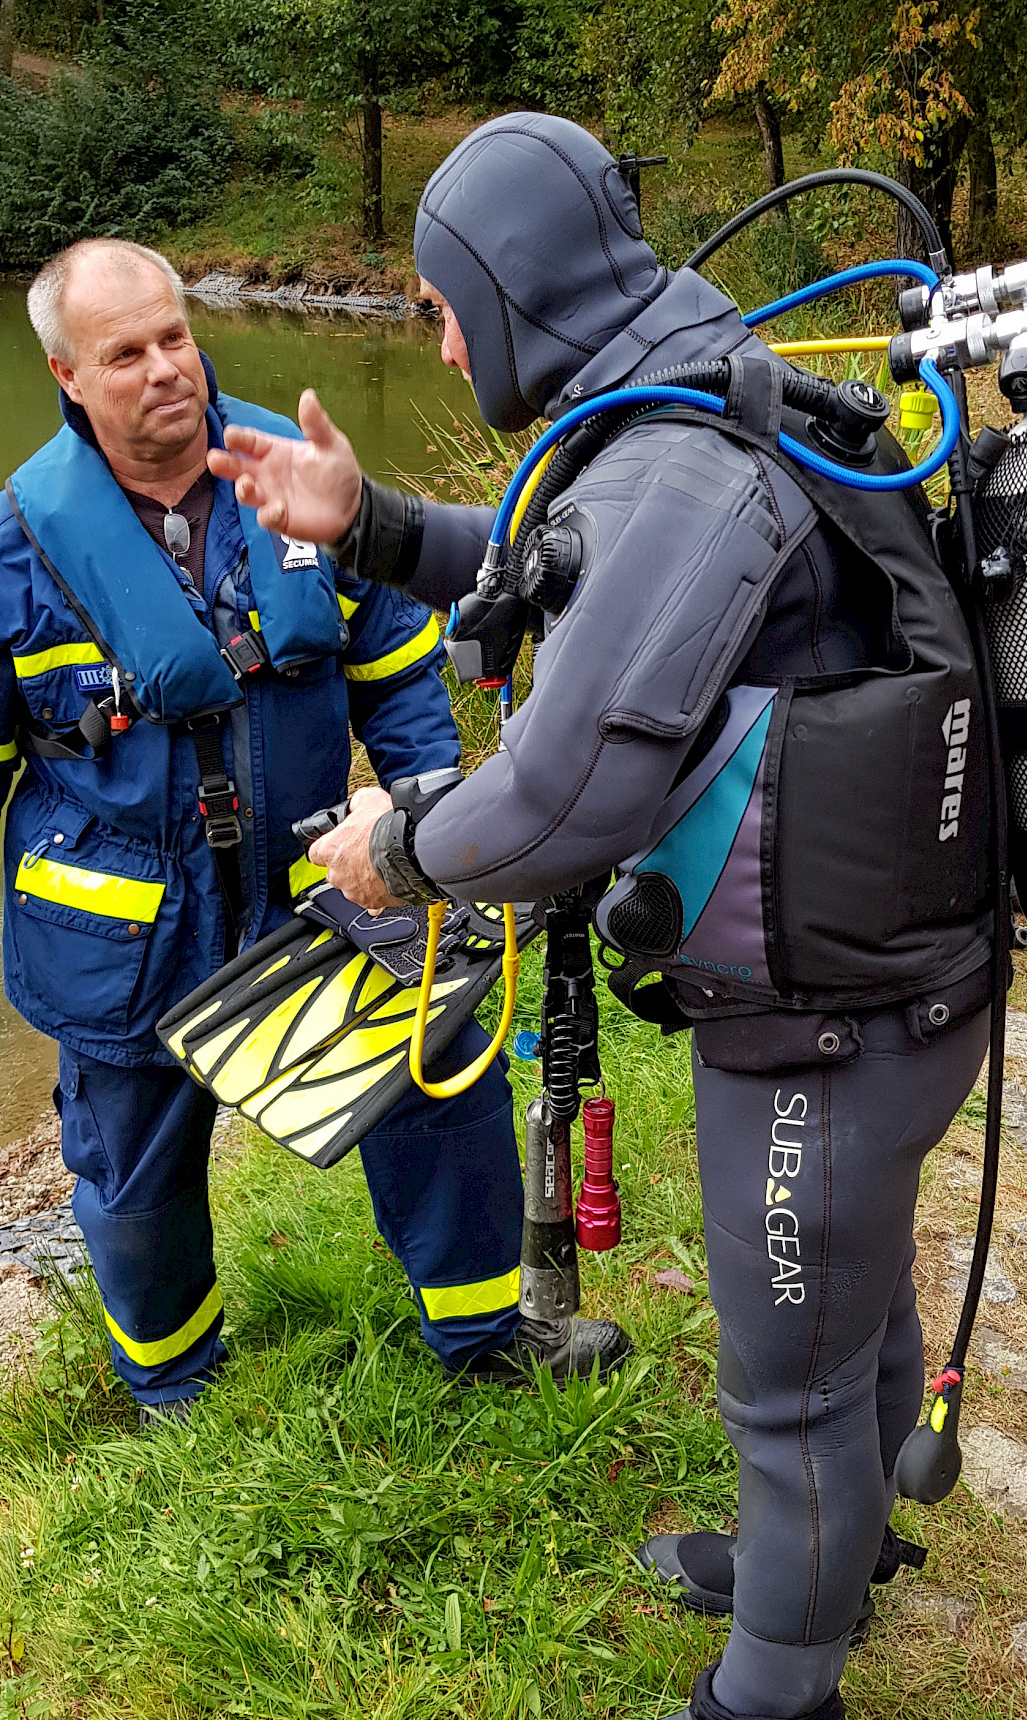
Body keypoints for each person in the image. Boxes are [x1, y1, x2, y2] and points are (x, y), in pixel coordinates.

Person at [207, 114, 993, 1720]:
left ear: (507, 289)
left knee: (786, 1374)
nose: (432, 337)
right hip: (889, 978)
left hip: (829, 1021)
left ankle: (762, 1713)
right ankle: (827, 1566)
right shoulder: (690, 379)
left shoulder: (682, 467)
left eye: (434, 305)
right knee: (846, 1315)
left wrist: (391, 849)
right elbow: (571, 570)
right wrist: (368, 524)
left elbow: (566, 796)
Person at [0, 237, 622, 1427]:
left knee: (443, 1087)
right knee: (132, 1177)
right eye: (125, 353)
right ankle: (177, 1387)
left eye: (175, 337)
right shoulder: (15, 548)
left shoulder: (300, 482)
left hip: (325, 884)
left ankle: (488, 1338)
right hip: (125, 927)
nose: (165, 369)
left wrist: (419, 803)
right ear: (67, 374)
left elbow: (394, 673)